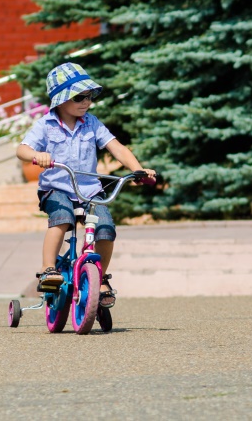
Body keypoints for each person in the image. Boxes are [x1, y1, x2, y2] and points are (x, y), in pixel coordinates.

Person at [17, 62, 155, 308]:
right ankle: (48, 269)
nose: (86, 101)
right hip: (56, 188)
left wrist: (137, 169)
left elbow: (117, 147)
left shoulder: (91, 123)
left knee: (106, 229)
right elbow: (22, 149)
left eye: (89, 96)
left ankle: (99, 278)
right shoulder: (45, 125)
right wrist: (37, 156)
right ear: (60, 100)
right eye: (79, 96)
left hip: (89, 191)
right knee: (61, 218)